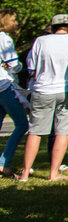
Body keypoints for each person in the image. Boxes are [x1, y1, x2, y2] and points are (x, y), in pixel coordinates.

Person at [18, 14, 68, 182]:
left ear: (53, 26)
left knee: (35, 131)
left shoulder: (41, 41)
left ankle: (25, 173)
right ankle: (53, 172)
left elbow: (31, 68)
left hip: (42, 90)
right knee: (62, 132)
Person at [0, 9, 29, 177]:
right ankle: (4, 161)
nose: (17, 23)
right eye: (15, 20)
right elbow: (14, 64)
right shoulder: (5, 40)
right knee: (22, 123)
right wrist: (19, 66)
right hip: (4, 85)